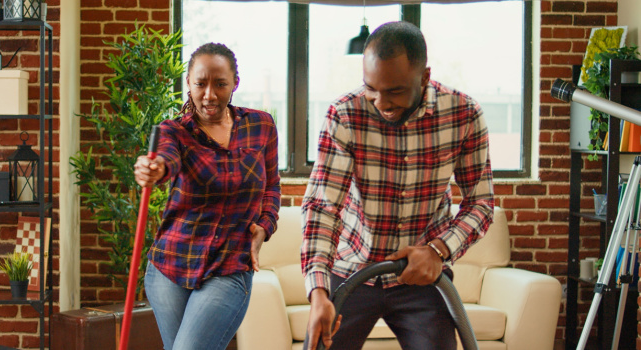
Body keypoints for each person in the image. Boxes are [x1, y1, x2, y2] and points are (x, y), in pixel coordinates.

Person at [301, 21, 495, 350]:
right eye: (371, 88)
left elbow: (481, 204)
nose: (381, 103)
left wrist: (438, 251)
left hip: (422, 278)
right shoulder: (345, 114)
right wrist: (318, 292)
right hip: (351, 271)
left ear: (424, 76)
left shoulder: (464, 114)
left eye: (395, 91)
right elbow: (323, 206)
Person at [133, 42, 281, 350]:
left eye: (220, 84)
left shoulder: (261, 126)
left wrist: (264, 226)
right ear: (188, 82)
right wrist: (155, 169)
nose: (209, 94)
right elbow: (166, 160)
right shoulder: (173, 131)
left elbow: (271, 187)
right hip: (169, 268)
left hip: (229, 266)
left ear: (234, 84)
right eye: (200, 83)